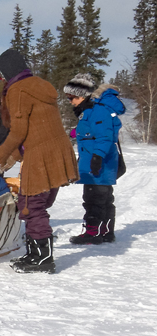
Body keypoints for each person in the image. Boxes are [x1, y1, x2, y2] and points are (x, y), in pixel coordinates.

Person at [0, 49, 78, 273]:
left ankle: (42, 259)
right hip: (57, 152)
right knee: (37, 204)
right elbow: (37, 128)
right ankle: (37, 254)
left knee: (30, 206)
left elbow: (19, 132)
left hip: (40, 155)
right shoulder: (40, 85)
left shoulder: (18, 89)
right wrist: (15, 156)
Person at [63, 73, 125, 244]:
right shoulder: (90, 110)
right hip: (97, 162)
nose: (70, 101)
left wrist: (97, 157)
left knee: (93, 199)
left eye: (72, 97)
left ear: (82, 95)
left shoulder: (98, 110)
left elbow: (104, 137)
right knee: (103, 199)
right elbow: (93, 131)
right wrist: (76, 132)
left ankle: (93, 233)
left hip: (98, 163)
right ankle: (105, 232)